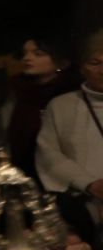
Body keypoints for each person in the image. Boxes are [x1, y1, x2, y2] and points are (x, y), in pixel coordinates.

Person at [37, 31, 103, 227]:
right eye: (95, 62)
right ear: (82, 68)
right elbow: (48, 153)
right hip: (81, 207)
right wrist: (87, 183)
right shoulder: (60, 106)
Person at [0, 35, 80, 179]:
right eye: (25, 53)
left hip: (63, 174)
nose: (27, 58)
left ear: (60, 61)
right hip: (20, 173)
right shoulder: (15, 90)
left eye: (38, 54)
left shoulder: (73, 93)